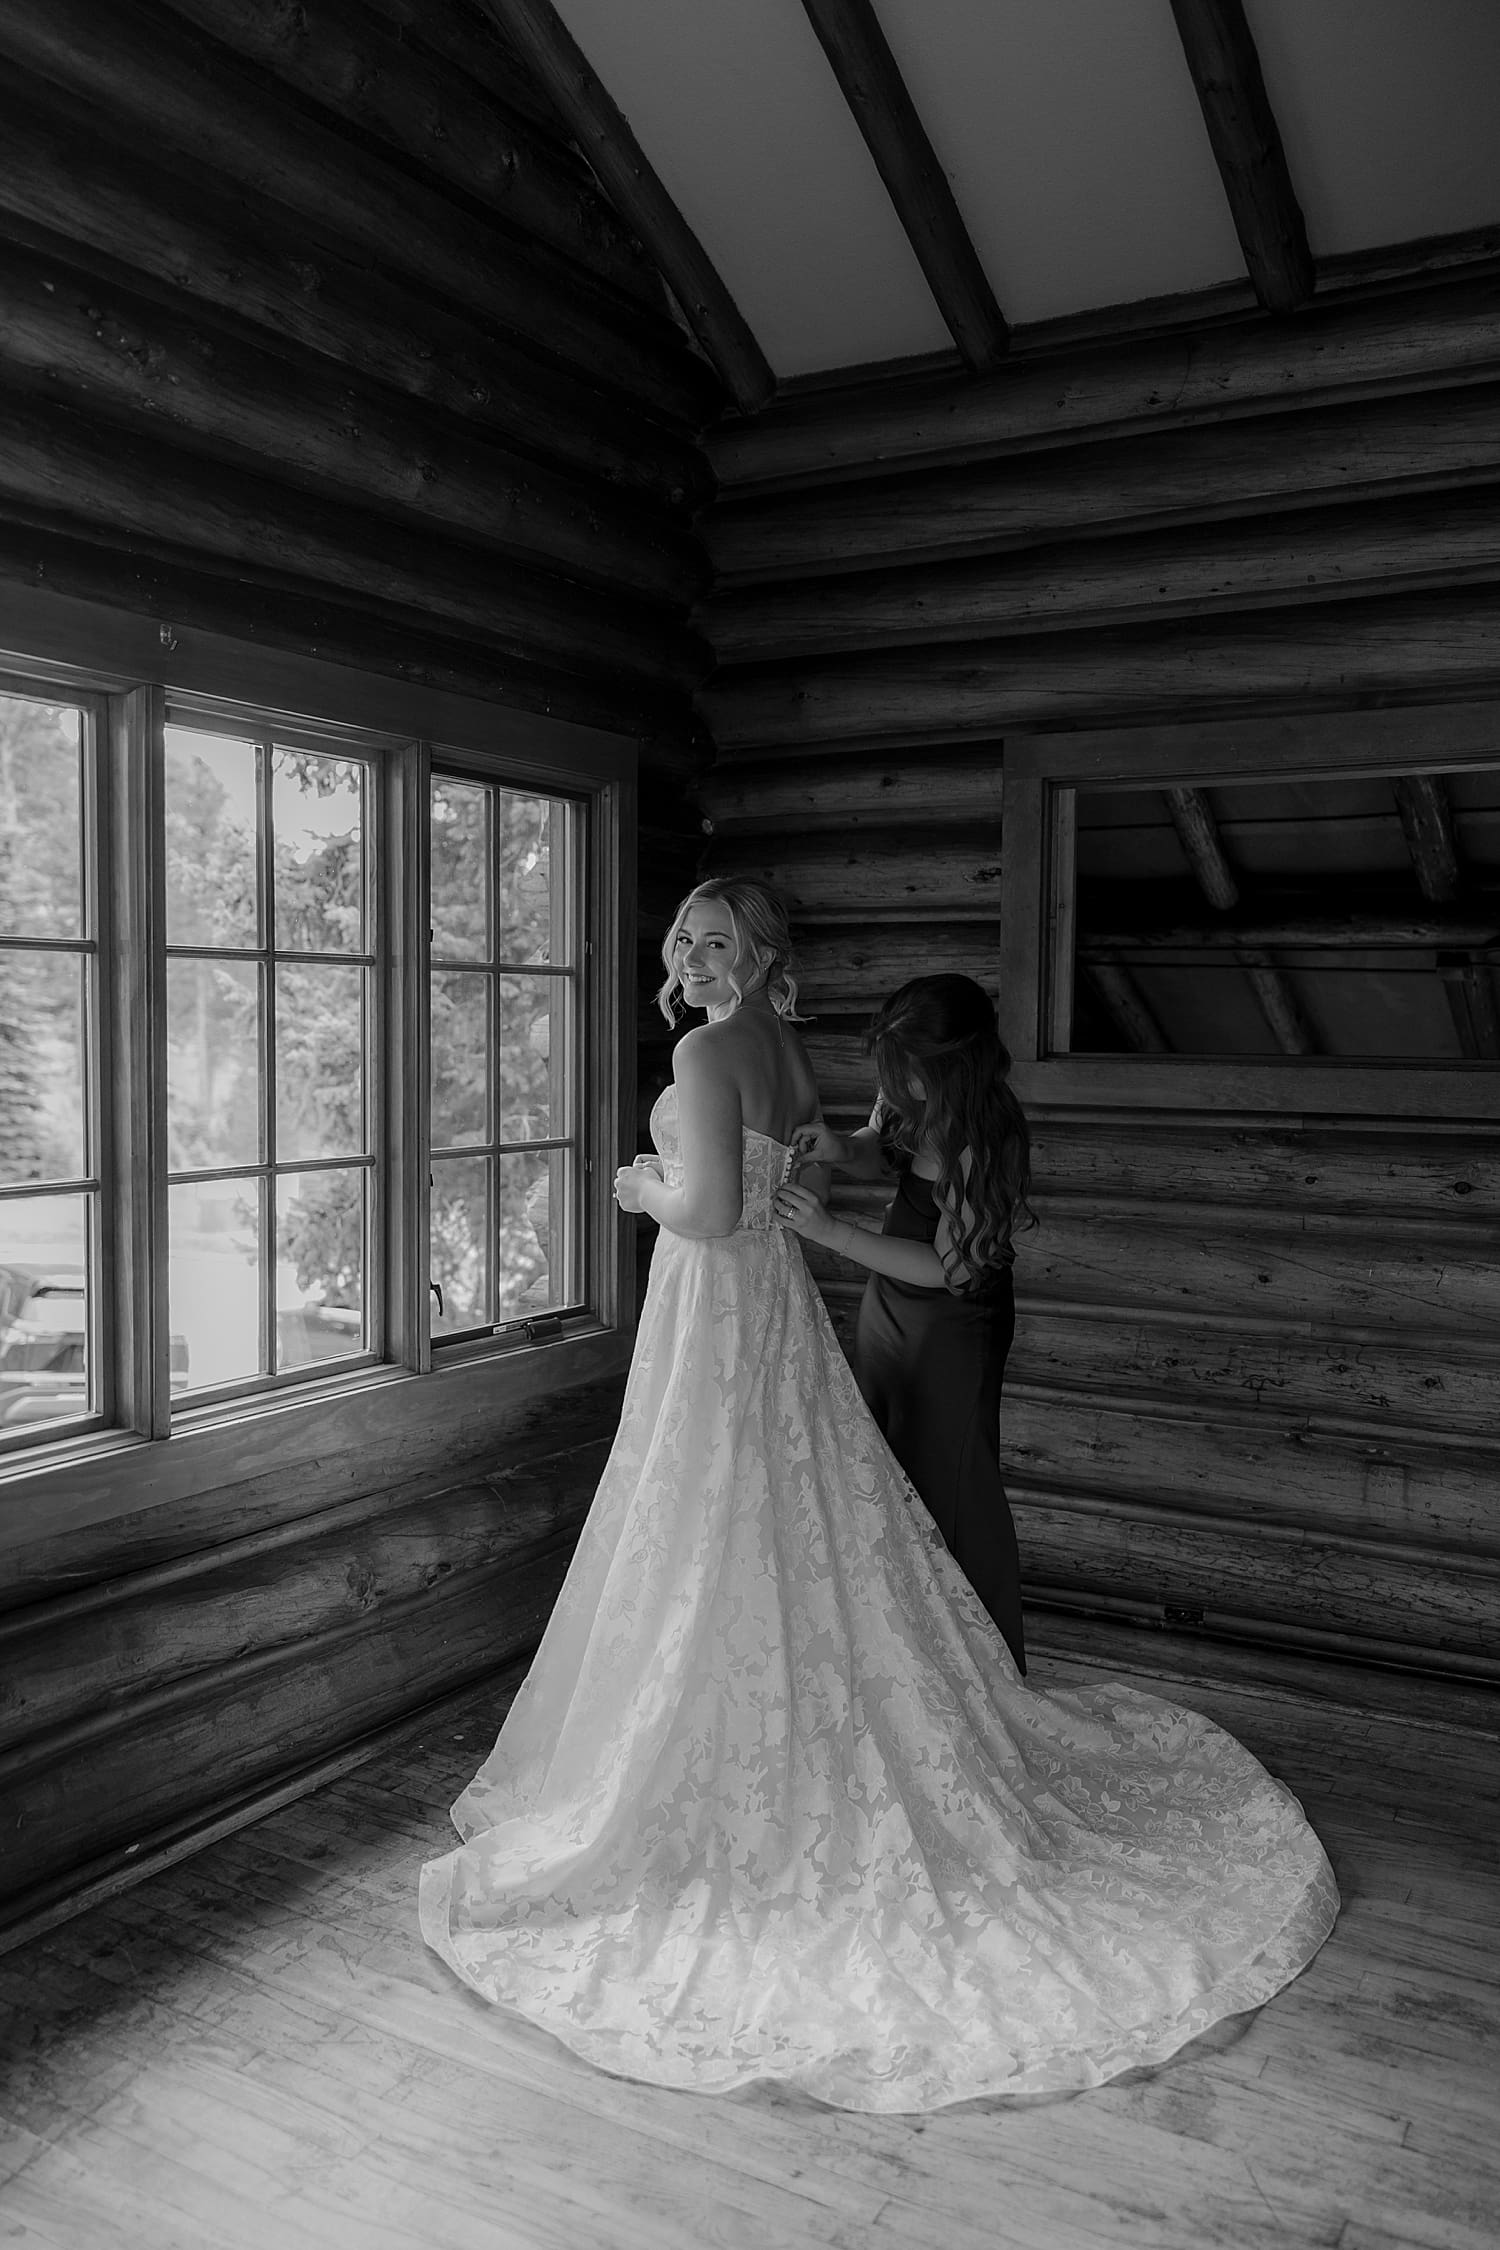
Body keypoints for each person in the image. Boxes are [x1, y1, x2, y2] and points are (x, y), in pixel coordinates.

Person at [419, 879, 1338, 2113]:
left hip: (792, 1306)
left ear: (760, 955)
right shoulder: (787, 1055)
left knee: (787, 1505)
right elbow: (813, 1166)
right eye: (683, 937)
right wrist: (792, 1173)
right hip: (792, 1310)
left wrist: (642, 1191)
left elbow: (726, 1209)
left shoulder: (751, 1064)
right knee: (807, 1511)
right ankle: (873, 1685)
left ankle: (873, 1699)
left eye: (716, 939)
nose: (690, 956)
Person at [777, 975, 1031, 1675]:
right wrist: (836, 1148)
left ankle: (976, 1664)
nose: (891, 1087)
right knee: (886, 1466)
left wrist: (833, 1230)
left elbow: (953, 1269)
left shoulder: (983, 1136)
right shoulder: (907, 1096)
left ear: (954, 1066)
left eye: (905, 1074)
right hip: (892, 1307)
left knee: (947, 1481)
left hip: (952, 1327)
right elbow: (873, 1143)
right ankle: (904, 1655)